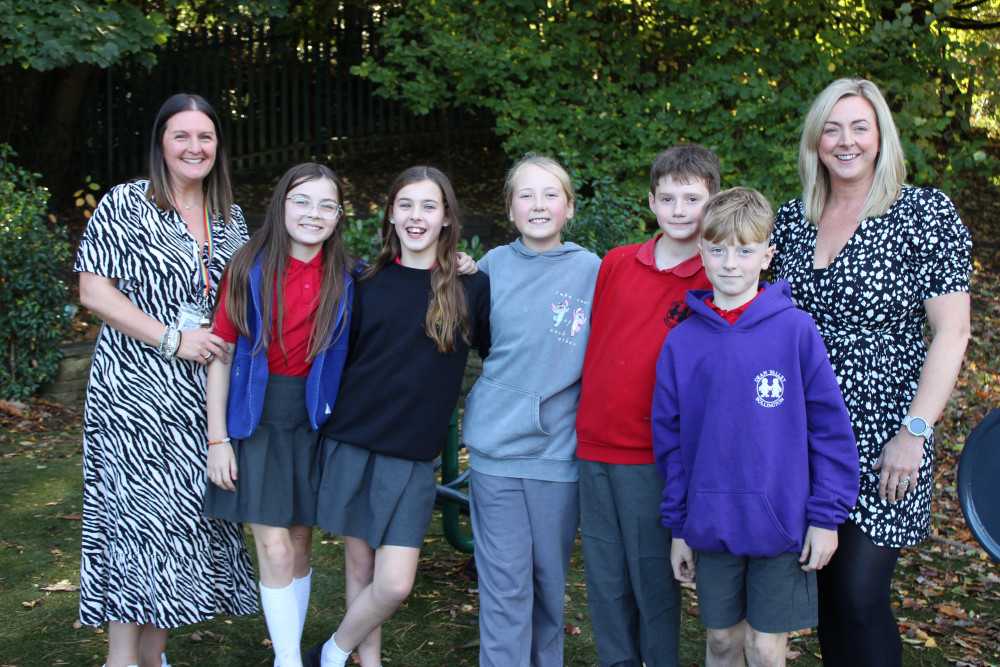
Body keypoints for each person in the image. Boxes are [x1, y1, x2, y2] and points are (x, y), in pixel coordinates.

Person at [769, 78, 972, 666]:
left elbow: (952, 333)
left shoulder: (923, 213)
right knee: (827, 589)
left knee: (859, 593)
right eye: (832, 128)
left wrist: (915, 431)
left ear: (881, 137)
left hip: (887, 430)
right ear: (815, 140)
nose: (845, 140)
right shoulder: (792, 219)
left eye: (859, 126)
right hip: (805, 428)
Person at [75, 93, 256, 667]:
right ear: (161, 142)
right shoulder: (126, 204)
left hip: (203, 396)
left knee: (177, 527)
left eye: (205, 137)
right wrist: (171, 338)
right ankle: (121, 659)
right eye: (182, 136)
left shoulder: (231, 216)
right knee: (134, 526)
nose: (194, 147)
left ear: (218, 147)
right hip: (134, 390)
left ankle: (154, 657)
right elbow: (93, 290)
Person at [651, 186, 860, 666]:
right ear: (701, 250)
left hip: (783, 527)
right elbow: (671, 445)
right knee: (723, 643)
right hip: (711, 524)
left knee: (765, 649)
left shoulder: (796, 331)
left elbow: (829, 432)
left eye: (745, 251)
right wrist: (680, 526)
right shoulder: (681, 342)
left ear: (767, 255)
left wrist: (826, 517)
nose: (730, 263)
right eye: (718, 249)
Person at [305, 166, 491, 667]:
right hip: (353, 441)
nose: (416, 216)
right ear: (390, 213)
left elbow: (500, 355)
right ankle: (365, 662)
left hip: (411, 455)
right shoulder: (363, 282)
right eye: (405, 204)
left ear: (447, 217)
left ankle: (330, 651)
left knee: (394, 583)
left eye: (429, 206)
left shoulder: (470, 289)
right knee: (360, 570)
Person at [203, 163, 357, 667]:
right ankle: (289, 659)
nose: (313, 214)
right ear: (281, 205)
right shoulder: (247, 267)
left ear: (338, 215)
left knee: (299, 540)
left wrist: (463, 263)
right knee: (272, 548)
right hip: (256, 417)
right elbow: (221, 353)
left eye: (326, 205)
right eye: (302, 201)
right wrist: (218, 438)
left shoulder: (349, 276)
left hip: (314, 420)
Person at [574, 144, 718, 666]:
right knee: (604, 577)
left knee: (653, 580)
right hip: (592, 444)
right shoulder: (616, 262)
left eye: (693, 198)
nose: (680, 210)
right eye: (668, 198)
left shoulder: (714, 276)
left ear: (713, 201)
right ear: (651, 202)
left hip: (653, 454)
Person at [461, 153, 600, 666]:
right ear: (510, 208)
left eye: (550, 194)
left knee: (547, 588)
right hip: (496, 454)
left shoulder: (593, 272)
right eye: (526, 194)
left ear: (568, 207)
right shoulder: (488, 268)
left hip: (557, 456)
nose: (538, 204)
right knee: (504, 590)